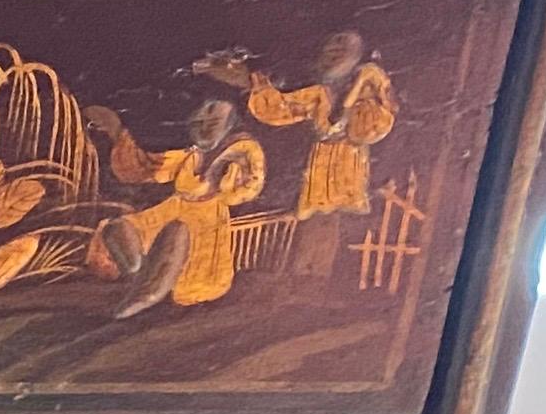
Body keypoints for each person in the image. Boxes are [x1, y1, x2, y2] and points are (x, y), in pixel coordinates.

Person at [85, 97, 266, 315]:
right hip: (172, 210)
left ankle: (148, 294)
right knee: (117, 229)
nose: (204, 125)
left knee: (177, 231)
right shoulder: (190, 156)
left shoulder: (243, 150)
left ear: (229, 125)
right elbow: (146, 166)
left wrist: (227, 171)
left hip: (203, 223)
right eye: (200, 119)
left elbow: (244, 190)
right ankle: (141, 277)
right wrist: (116, 130)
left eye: (213, 120)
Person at [239, 31, 397, 275]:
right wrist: (259, 84)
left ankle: (322, 276)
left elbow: (360, 130)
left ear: (358, 58)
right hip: (319, 168)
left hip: (348, 168)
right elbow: (281, 108)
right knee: (312, 223)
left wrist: (360, 85)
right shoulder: (320, 93)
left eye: (344, 47)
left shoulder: (367, 100)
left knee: (334, 222)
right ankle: (305, 275)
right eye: (331, 45)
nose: (334, 51)